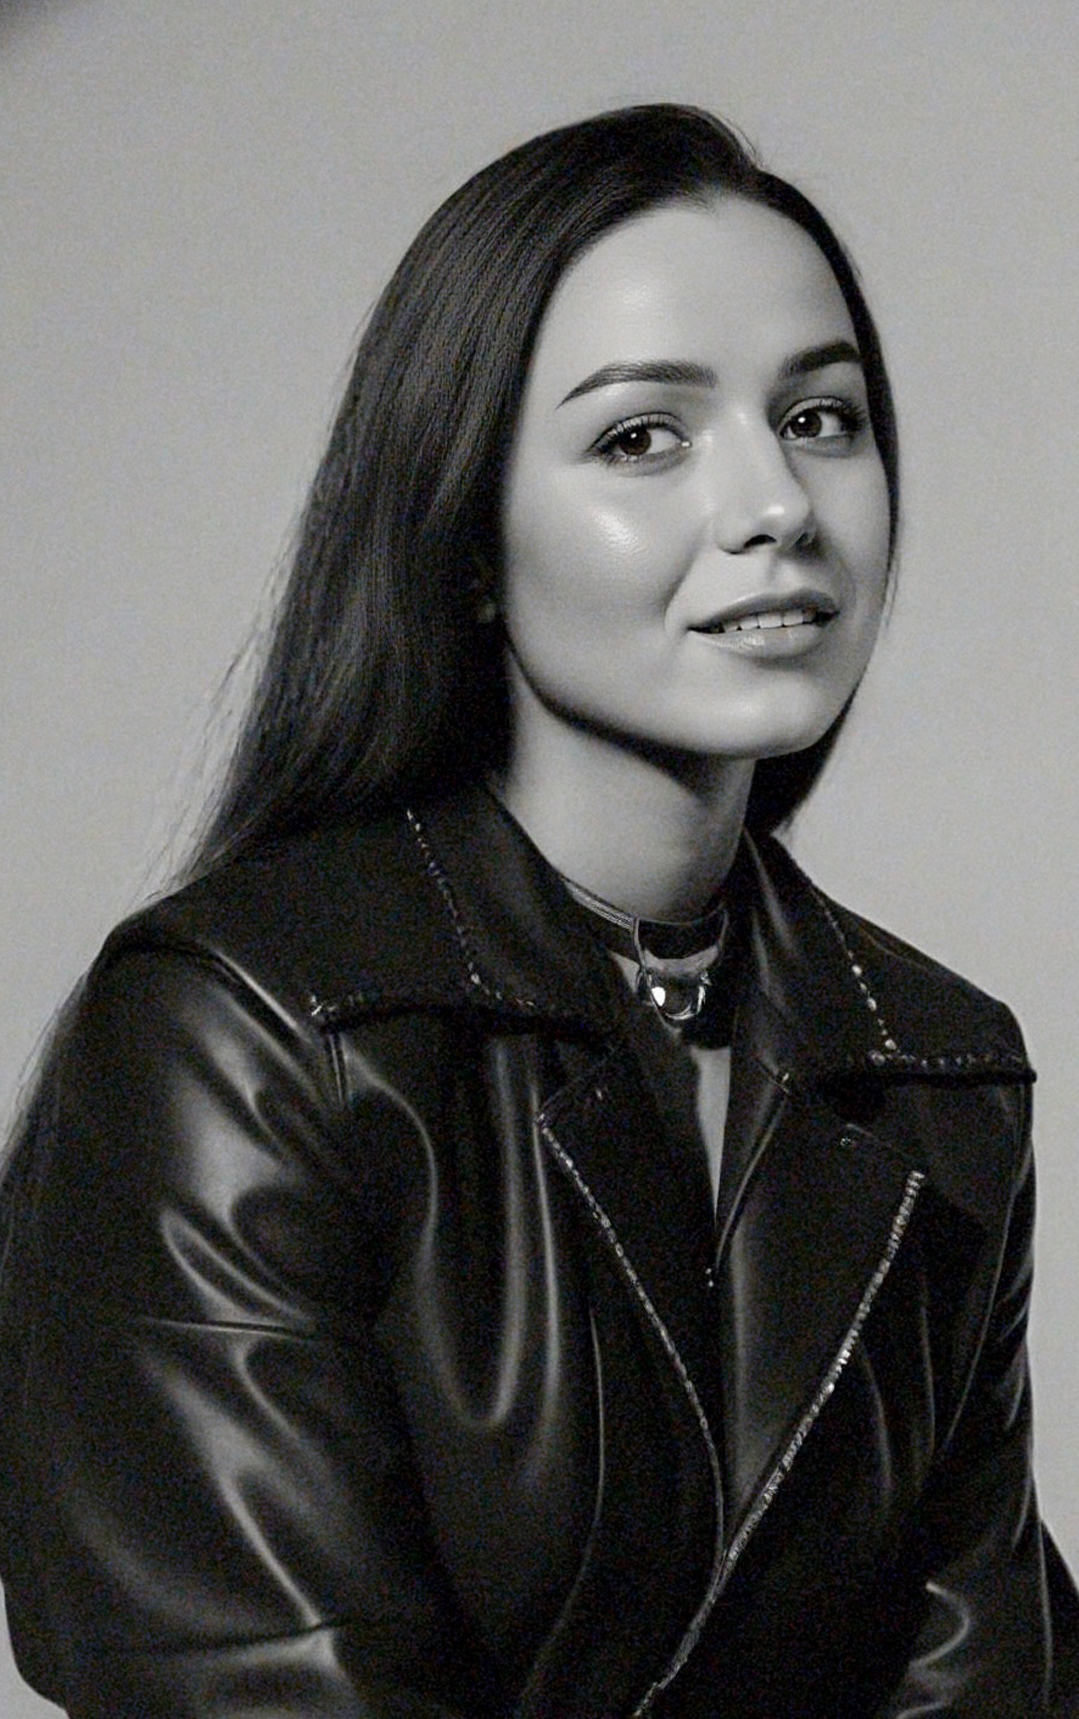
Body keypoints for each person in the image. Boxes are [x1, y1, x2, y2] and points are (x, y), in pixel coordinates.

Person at [0, 103, 1075, 1719]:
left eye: (820, 416)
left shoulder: (936, 1072)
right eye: (641, 437)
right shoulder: (243, 1032)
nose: (776, 502)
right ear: (467, 539)